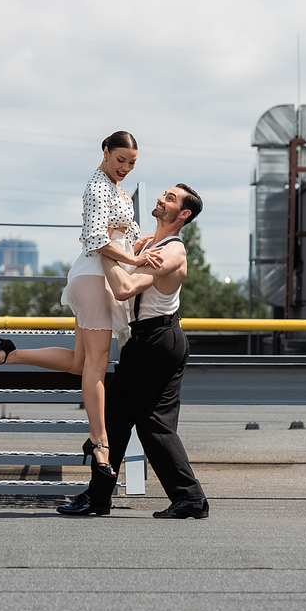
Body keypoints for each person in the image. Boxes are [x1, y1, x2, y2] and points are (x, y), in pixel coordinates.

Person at [0, 131, 162, 479]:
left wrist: (142, 243)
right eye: (120, 160)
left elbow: (125, 235)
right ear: (105, 152)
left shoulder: (116, 188)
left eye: (132, 163)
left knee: (79, 362)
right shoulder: (97, 187)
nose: (125, 168)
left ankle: (9, 354)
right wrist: (135, 260)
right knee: (97, 365)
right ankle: (100, 441)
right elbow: (95, 239)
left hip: (100, 278)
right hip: (93, 277)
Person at [57, 183, 209, 519]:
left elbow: (124, 289)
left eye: (170, 198)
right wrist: (122, 248)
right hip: (160, 340)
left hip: (156, 341)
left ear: (183, 214)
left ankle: (97, 499)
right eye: (164, 194)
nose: (160, 198)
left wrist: (103, 247)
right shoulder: (148, 245)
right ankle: (190, 498)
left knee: (113, 417)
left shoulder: (172, 252)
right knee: (155, 424)